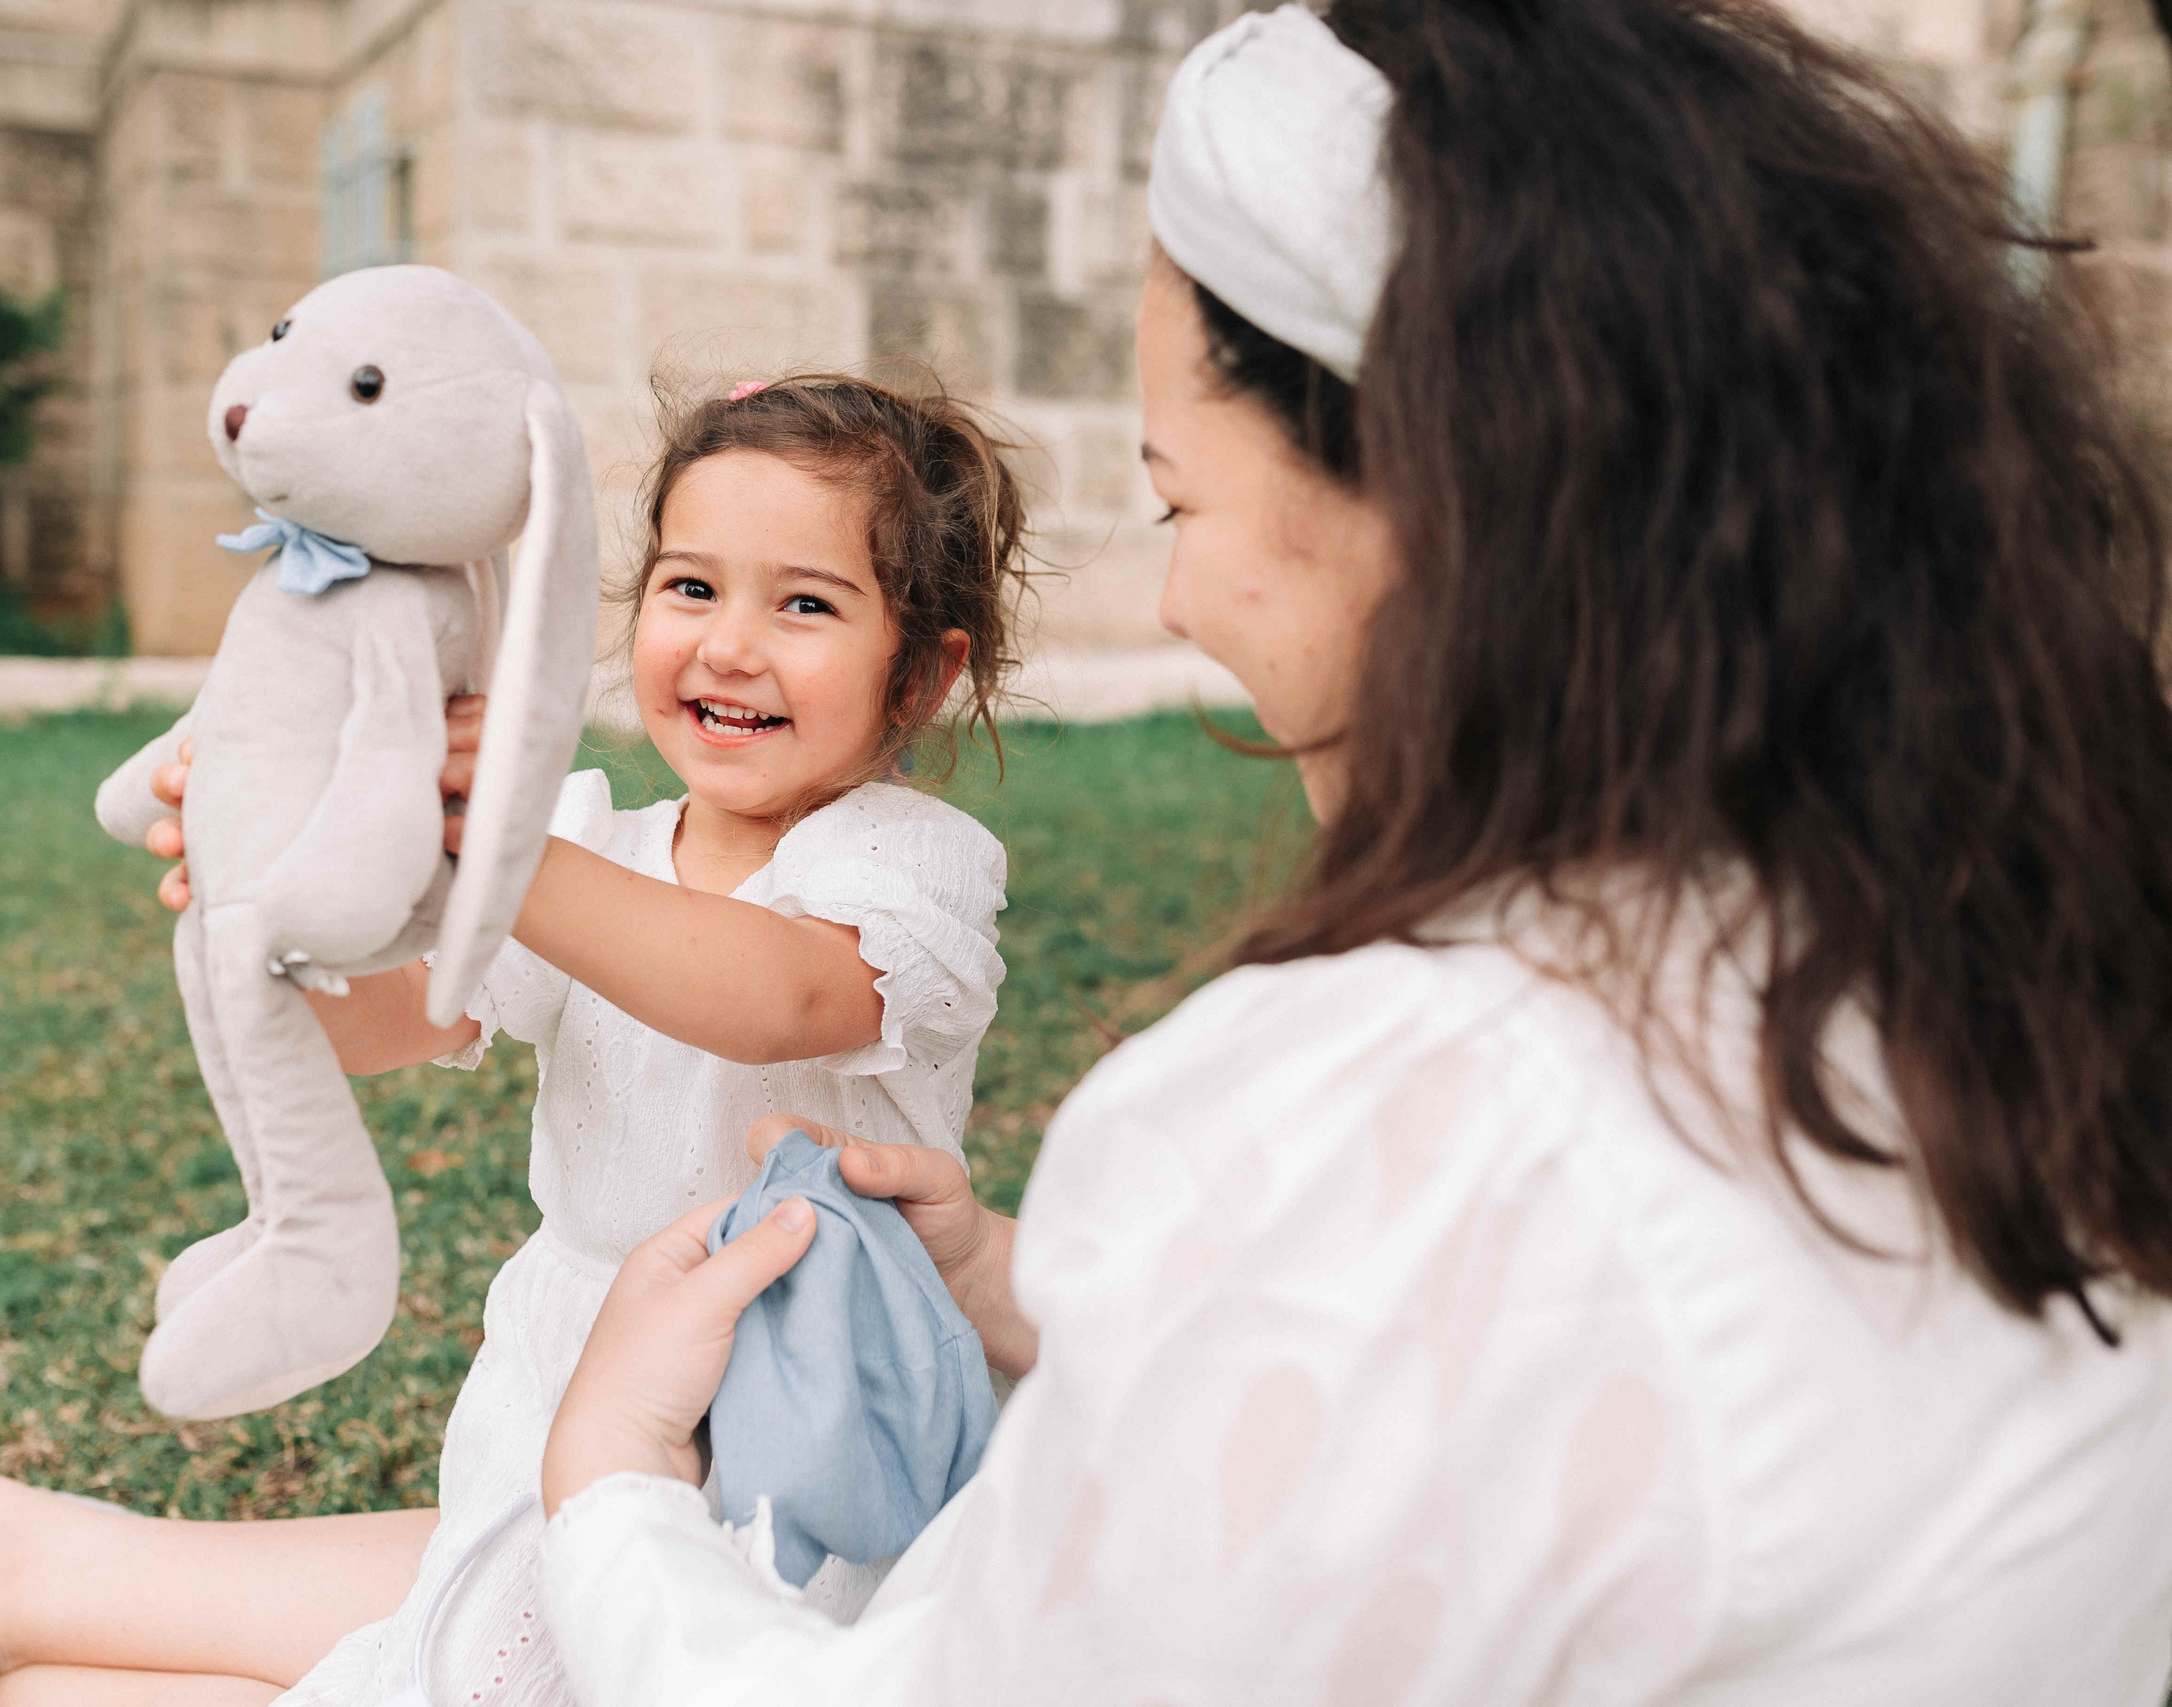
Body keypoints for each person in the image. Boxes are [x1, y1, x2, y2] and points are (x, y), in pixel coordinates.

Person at [525, 3, 2172, 1703]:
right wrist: (1036, 1291)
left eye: (1183, 502)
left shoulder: (1362, 1113)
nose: (1177, 595)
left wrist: (613, 1485)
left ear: (1439, 507)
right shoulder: (1998, 976)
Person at [0, 373, 1031, 1705]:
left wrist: (493, 844)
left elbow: (777, 993)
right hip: (571, 1382)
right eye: (692, 589)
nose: (730, 645)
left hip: (811, 1412)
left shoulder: (905, 865)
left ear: (921, 671)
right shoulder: (591, 846)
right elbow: (392, 1021)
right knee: (472, 1634)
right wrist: (272, 895)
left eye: (805, 604)